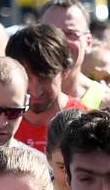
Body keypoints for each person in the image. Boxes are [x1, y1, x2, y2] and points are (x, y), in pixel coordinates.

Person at [8, 24, 85, 155]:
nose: (35, 90)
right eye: (26, 78)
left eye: (45, 78)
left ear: (65, 71)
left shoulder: (85, 124)